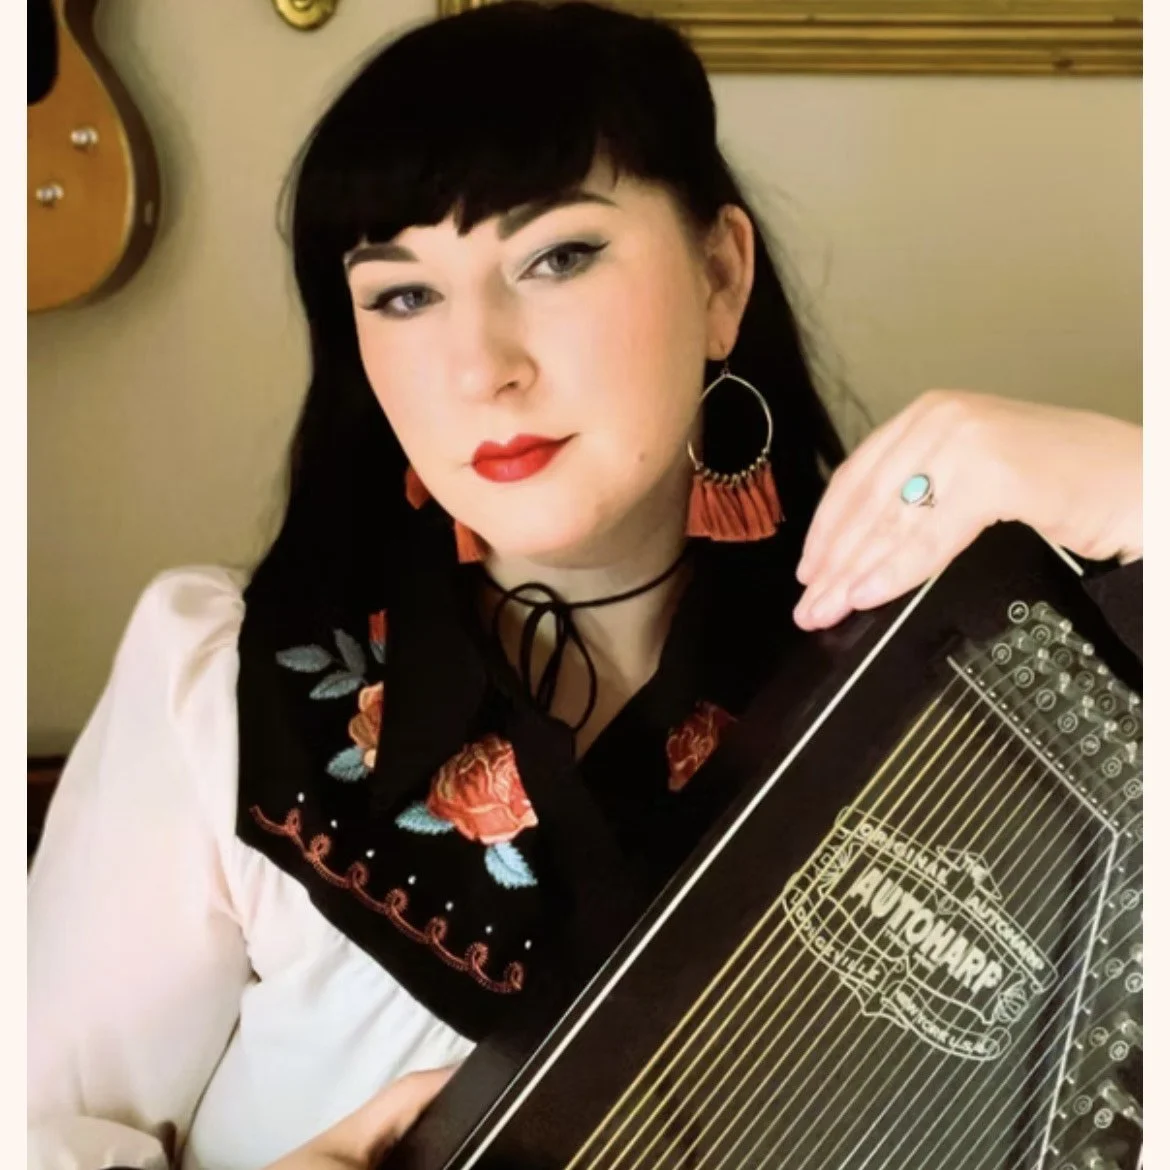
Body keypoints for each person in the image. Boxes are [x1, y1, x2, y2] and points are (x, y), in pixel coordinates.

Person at [26, 3, 1142, 1169]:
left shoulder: (970, 689)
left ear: (721, 276)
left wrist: (1136, 484)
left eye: (556, 258)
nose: (481, 368)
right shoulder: (221, 686)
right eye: (403, 295)